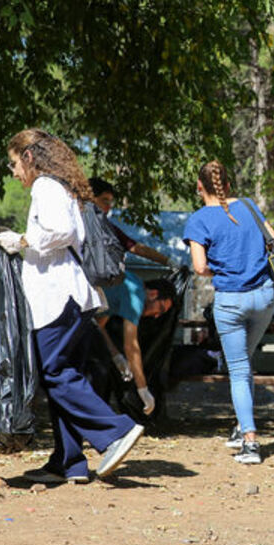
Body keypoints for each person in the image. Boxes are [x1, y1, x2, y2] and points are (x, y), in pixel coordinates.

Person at [0, 128, 143, 484]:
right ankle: (69, 461)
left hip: (58, 298)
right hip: (74, 298)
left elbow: (60, 231)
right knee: (63, 373)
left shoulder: (46, 186)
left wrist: (22, 241)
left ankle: (116, 432)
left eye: (14, 163)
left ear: (29, 157)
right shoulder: (62, 187)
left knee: (54, 373)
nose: (14, 172)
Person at [183, 161, 274, 465]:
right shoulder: (249, 207)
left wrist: (225, 268)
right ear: (228, 184)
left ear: (200, 187)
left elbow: (199, 267)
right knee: (245, 363)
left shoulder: (199, 220)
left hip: (231, 302)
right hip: (264, 298)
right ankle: (240, 426)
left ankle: (250, 442)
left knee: (237, 369)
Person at [88, 177, 173, 416]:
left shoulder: (106, 228)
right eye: (103, 201)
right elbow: (132, 345)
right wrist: (143, 389)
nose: (157, 316)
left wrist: (115, 355)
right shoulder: (134, 292)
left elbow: (99, 324)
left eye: (110, 203)